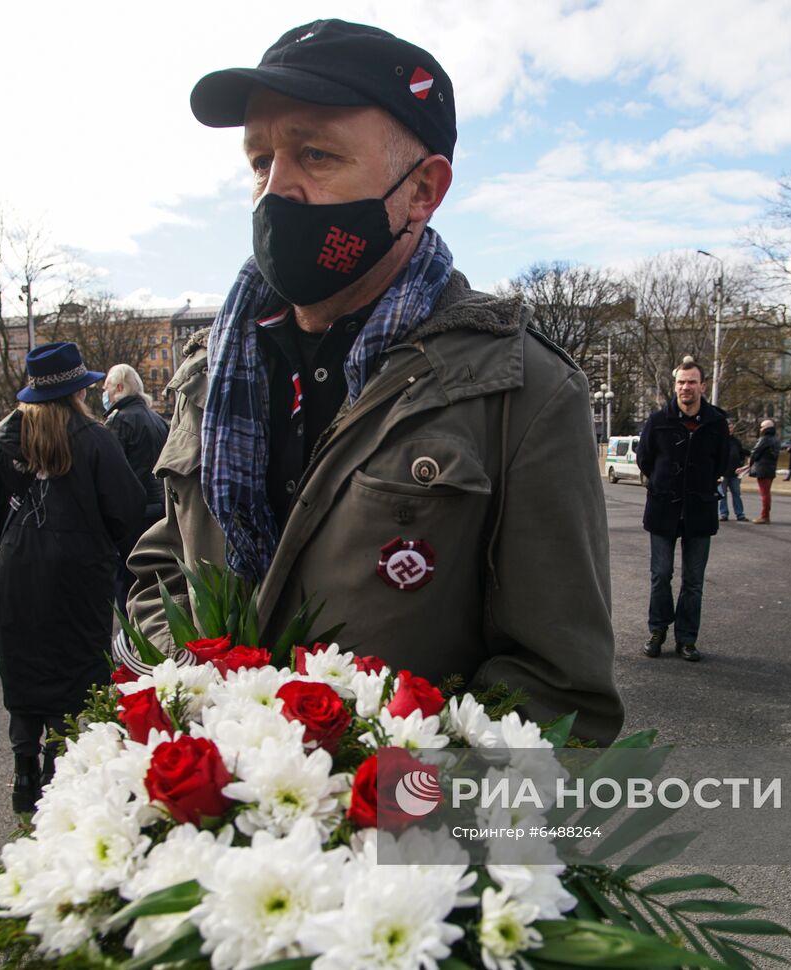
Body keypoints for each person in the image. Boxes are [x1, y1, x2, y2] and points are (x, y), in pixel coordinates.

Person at [126, 19, 623, 743]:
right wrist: (196, 711)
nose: (275, 192)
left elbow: (557, 695)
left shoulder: (523, 392)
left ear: (422, 189)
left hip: (393, 843)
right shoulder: (209, 376)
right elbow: (162, 568)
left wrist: (361, 820)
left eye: (315, 154)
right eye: (260, 160)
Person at [0, 342, 148, 814]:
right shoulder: (94, 439)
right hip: (77, 569)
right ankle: (62, 766)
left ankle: (23, 770)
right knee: (75, 666)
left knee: (22, 664)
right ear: (79, 390)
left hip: (17, 565)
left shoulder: (3, 444)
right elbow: (127, 510)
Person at [636, 356, 730, 662]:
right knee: (660, 574)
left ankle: (687, 638)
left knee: (694, 580)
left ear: (702, 386)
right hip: (663, 508)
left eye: (691, 382)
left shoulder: (716, 423)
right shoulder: (658, 420)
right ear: (674, 386)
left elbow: (722, 461)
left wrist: (701, 482)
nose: (685, 387)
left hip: (700, 510)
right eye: (680, 382)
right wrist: (664, 482)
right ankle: (657, 631)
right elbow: (645, 460)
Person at [101, 364, 169, 612]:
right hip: (160, 510)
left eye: (106, 386)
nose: (103, 391)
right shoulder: (158, 420)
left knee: (129, 586)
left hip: (132, 516)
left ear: (119, 387)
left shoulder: (118, 422)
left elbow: (112, 476)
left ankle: (133, 645)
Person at [741, 419, 781, 523]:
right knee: (767, 493)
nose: (760, 429)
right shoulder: (776, 439)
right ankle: (765, 515)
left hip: (762, 468)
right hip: (771, 468)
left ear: (766, 428)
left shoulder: (764, 439)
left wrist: (749, 465)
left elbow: (755, 452)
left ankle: (764, 516)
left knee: (764, 494)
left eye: (762, 427)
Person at [717, 419, 748, 522]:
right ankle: (724, 513)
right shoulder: (720, 440)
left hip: (735, 473)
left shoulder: (736, 441)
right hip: (723, 472)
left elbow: (741, 454)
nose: (730, 430)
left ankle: (740, 514)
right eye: (728, 428)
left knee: (736, 494)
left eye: (731, 428)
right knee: (723, 495)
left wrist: (741, 464)